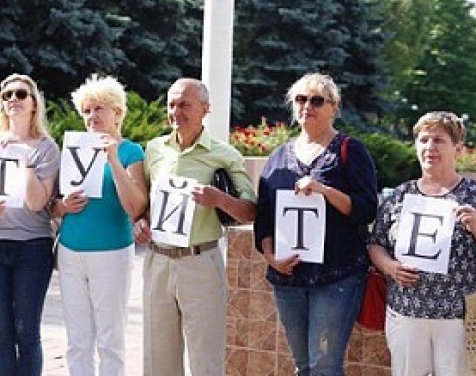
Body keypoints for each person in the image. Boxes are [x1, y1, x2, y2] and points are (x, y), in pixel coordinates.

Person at [254, 73, 378, 375]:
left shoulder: (349, 150)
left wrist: (324, 191)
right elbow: (264, 217)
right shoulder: (279, 157)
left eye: (317, 100)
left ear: (334, 107)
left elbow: (366, 209)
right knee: (304, 366)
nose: (307, 106)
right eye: (300, 99)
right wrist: (271, 257)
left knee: (325, 365)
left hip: (337, 277)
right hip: (289, 279)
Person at [134, 78, 257, 376]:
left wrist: (219, 199)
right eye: (172, 104)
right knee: (157, 361)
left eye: (185, 104)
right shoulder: (153, 150)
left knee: (205, 361)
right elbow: (144, 205)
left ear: (205, 109)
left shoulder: (224, 154)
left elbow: (251, 212)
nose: (177, 111)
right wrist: (141, 222)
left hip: (200, 263)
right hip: (157, 261)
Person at [0, 73, 60, 376]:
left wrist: (25, 159)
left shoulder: (46, 148)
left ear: (34, 104)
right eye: (7, 96)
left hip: (32, 247)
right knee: (1, 332)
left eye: (20, 94)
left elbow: (35, 203)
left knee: (26, 330)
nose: (13, 100)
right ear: (1, 105)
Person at [52, 75, 147, 376]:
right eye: (87, 110)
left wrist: (114, 160)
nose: (92, 116)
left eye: (99, 108)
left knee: (110, 339)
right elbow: (53, 207)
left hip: (111, 253)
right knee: (77, 340)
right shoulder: (75, 148)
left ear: (118, 112)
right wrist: (61, 206)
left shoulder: (132, 152)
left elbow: (135, 207)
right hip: (70, 251)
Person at [368, 111, 476, 375]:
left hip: (457, 316)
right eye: (424, 140)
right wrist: (391, 267)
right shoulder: (399, 196)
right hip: (406, 312)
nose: (430, 147)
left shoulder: (473, 195)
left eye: (439, 140)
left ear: (457, 148)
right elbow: (376, 243)